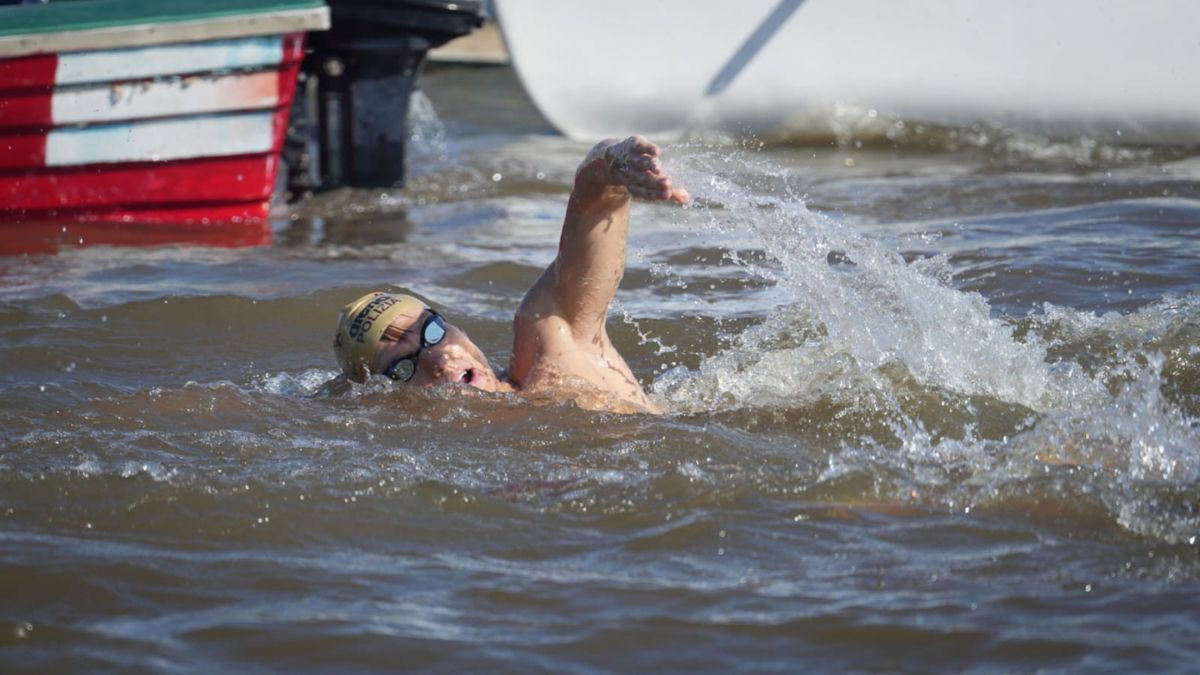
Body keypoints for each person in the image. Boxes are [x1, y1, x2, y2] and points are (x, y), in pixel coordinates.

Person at [332, 136, 690, 414]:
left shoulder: (552, 344)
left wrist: (616, 163)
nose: (439, 360)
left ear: (455, 327)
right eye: (401, 368)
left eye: (432, 331)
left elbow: (595, 199)